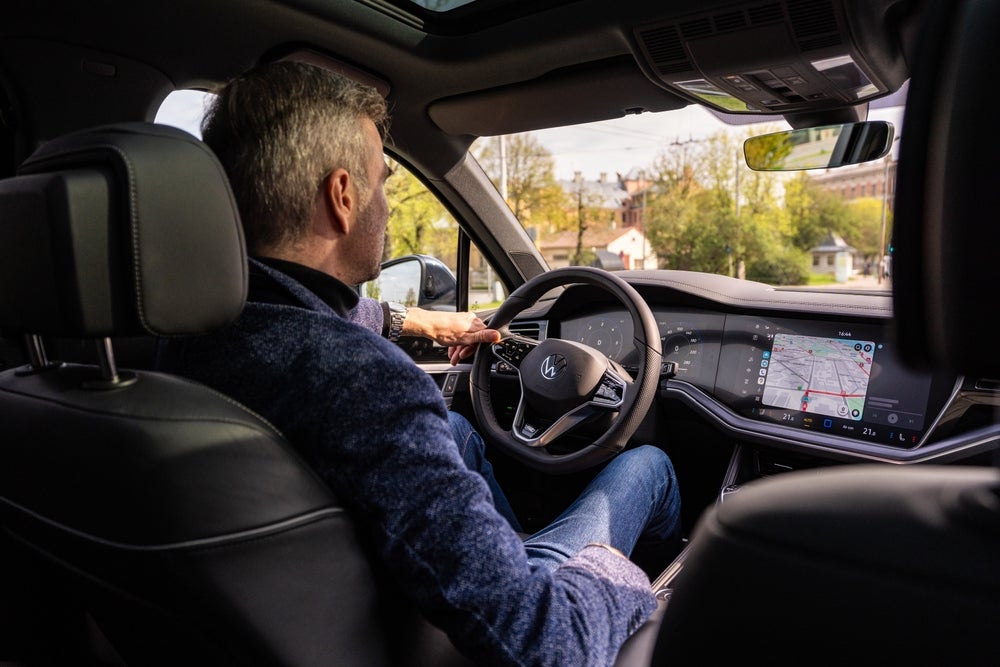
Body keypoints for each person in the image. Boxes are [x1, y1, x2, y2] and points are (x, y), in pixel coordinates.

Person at [161, 60, 681, 666]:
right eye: (382, 182)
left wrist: (415, 321)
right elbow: (545, 645)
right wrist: (613, 575)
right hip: (491, 631)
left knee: (458, 431)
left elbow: (310, 319)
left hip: (321, 615)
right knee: (650, 466)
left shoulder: (192, 336)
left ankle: (513, 552)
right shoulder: (363, 380)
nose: (386, 202)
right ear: (343, 196)